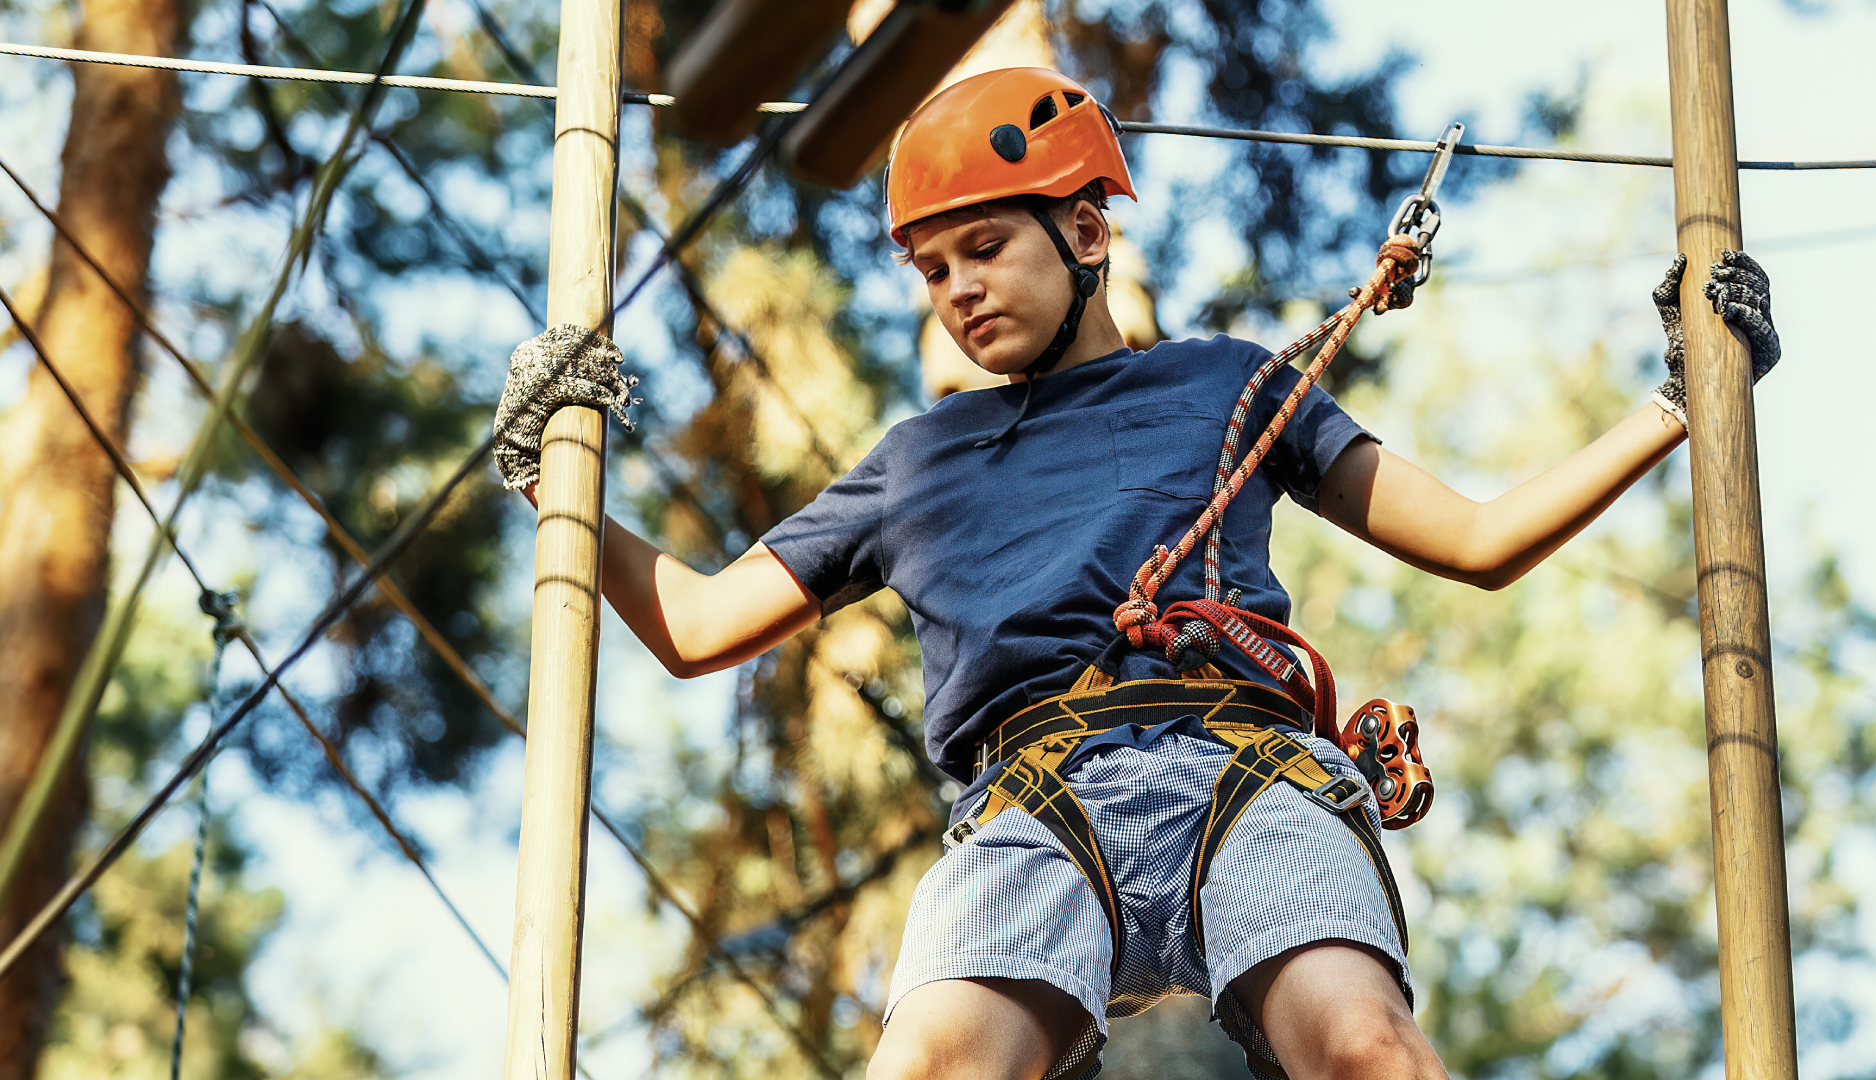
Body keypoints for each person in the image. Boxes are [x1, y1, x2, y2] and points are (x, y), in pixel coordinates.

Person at [492, 67, 1778, 1080]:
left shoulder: (1224, 384)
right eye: (933, 270)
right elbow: (703, 622)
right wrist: (564, 488)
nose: (958, 291)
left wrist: (1682, 401)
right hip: (1036, 804)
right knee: (927, 1070)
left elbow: (1478, 541)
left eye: (987, 246)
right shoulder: (918, 462)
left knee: (1369, 1051)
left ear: (1089, 227)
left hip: (1246, 773)